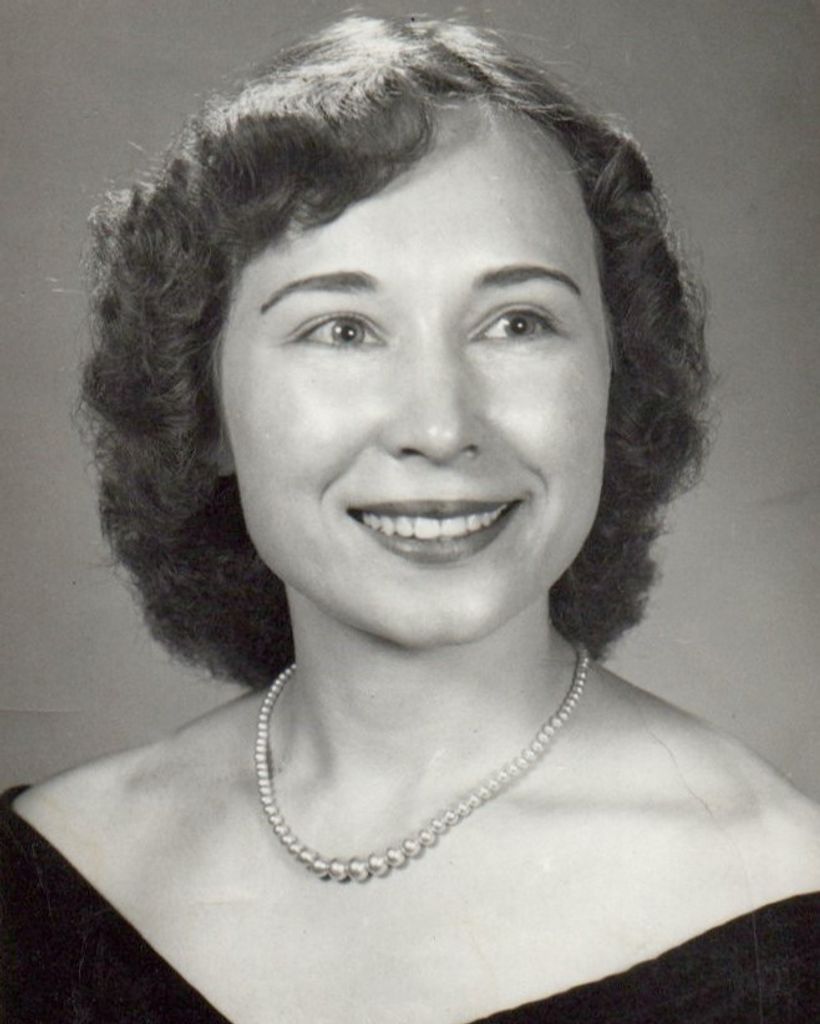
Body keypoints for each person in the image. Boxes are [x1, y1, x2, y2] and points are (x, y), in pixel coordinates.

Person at [2, 14, 818, 1023]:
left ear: (618, 381)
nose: (439, 427)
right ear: (201, 405)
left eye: (517, 323)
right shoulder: (41, 882)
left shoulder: (785, 918)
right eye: (342, 329)